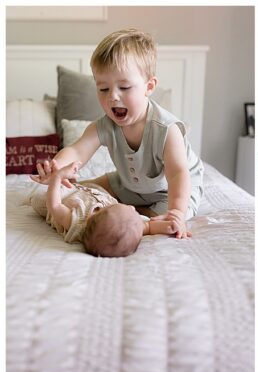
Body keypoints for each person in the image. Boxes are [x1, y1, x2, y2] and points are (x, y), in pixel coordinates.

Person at [33, 28, 203, 236]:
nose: (113, 97)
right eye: (103, 89)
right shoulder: (105, 125)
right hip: (129, 184)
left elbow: (178, 173)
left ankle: (138, 214)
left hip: (170, 190)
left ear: (149, 87)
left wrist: (177, 211)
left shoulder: (167, 129)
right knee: (78, 191)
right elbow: (77, 151)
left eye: (124, 87)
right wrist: (56, 168)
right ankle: (118, 205)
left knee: (161, 221)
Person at [27, 161, 190, 257]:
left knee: (39, 199)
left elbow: (54, 205)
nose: (133, 208)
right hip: (90, 194)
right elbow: (148, 227)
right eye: (132, 210)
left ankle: (48, 188)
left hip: (59, 199)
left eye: (129, 209)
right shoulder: (127, 224)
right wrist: (169, 226)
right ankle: (72, 184)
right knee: (87, 187)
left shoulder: (76, 222)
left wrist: (57, 177)